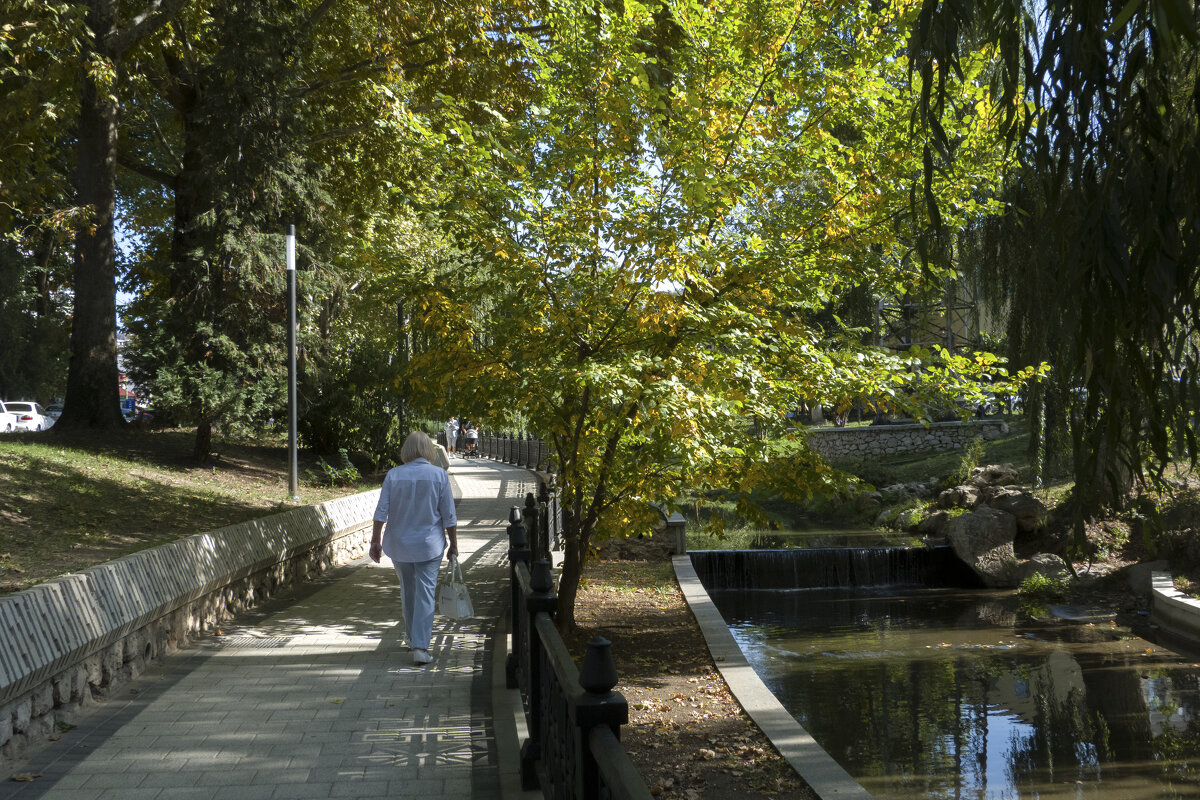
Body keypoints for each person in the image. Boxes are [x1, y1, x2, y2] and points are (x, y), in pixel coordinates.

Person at [370, 431, 458, 666]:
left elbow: (381, 512)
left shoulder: (394, 475)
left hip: (399, 544)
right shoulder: (439, 475)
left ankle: (411, 636)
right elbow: (449, 515)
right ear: (428, 450)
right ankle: (420, 646)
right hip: (429, 544)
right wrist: (454, 546)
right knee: (425, 593)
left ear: (406, 450)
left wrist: (375, 541)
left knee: (408, 590)